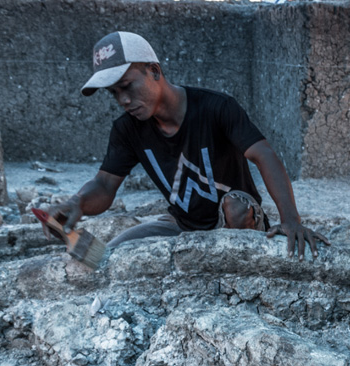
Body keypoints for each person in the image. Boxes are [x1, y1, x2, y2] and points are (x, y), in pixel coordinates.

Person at [44, 31, 328, 259]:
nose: (123, 100)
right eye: (114, 93)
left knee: (235, 206)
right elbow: (105, 185)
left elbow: (263, 154)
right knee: (112, 255)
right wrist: (78, 203)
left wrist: (290, 219)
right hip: (182, 225)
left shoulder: (216, 107)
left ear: (154, 71)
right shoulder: (127, 129)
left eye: (128, 85)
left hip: (237, 221)